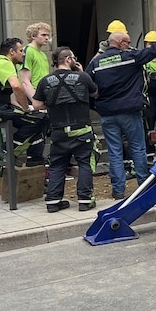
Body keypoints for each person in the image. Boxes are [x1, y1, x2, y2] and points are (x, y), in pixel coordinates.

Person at [88, 19, 156, 200]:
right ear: (121, 43)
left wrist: (97, 103)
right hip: (129, 111)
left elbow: (87, 85)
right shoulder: (130, 58)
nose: (130, 45)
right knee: (138, 148)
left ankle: (118, 191)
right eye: (128, 42)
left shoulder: (97, 62)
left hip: (107, 114)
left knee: (114, 152)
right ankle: (143, 187)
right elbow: (154, 50)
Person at [32, 47, 98, 213]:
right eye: (74, 58)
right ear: (68, 60)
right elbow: (95, 93)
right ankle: (84, 200)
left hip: (59, 131)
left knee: (57, 165)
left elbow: (37, 105)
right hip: (82, 130)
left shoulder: (45, 81)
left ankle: (53, 202)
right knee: (84, 163)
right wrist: (81, 73)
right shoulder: (83, 77)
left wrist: (53, 103)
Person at [0, 38, 49, 162]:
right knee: (41, 118)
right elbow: (17, 87)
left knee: (38, 117)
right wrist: (26, 108)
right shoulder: (4, 63)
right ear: (12, 52)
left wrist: (24, 109)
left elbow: (9, 96)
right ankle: (7, 150)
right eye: (21, 50)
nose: (23, 54)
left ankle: (34, 157)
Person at [19, 22, 52, 164]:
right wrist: (35, 101)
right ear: (33, 36)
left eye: (48, 35)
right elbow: (25, 80)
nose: (47, 38)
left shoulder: (43, 55)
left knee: (40, 134)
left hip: (42, 96)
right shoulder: (28, 52)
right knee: (35, 131)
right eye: (43, 35)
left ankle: (37, 165)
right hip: (34, 98)